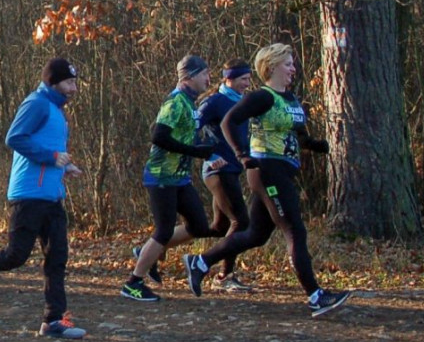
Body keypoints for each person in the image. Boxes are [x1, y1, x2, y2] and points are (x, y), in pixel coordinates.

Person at [183, 44, 352, 317]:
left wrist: (320, 146)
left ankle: (201, 262)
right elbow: (228, 122)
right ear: (272, 67)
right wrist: (243, 155)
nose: (293, 68)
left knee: (256, 235)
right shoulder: (263, 97)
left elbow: (298, 134)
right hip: (266, 170)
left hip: (283, 170)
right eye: (287, 64)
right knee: (295, 231)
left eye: (292, 63)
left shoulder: (290, 98)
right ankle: (316, 296)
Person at [0, 58, 86, 339]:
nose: (74, 88)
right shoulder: (36, 103)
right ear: (53, 82)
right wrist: (51, 157)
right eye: (69, 82)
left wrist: (64, 165)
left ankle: (54, 321)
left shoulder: (56, 110)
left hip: (52, 196)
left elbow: (50, 149)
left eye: (74, 82)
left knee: (57, 257)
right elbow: (14, 138)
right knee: (16, 255)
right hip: (28, 195)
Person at [120, 55, 218, 303]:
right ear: (190, 76)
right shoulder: (175, 102)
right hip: (161, 176)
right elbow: (158, 136)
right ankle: (134, 283)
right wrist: (196, 152)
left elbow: (184, 136)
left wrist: (206, 150)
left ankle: (146, 252)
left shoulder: (190, 102)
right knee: (163, 230)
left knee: (198, 226)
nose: (209, 78)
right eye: (205, 73)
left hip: (180, 178)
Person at [196, 58, 253, 291]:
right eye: (242, 79)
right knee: (241, 221)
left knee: (219, 227)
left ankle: (158, 245)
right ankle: (224, 277)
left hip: (232, 169)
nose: (247, 84)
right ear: (228, 79)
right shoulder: (213, 102)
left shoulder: (245, 102)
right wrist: (208, 156)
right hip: (218, 171)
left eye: (249, 79)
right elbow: (190, 130)